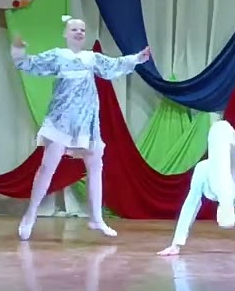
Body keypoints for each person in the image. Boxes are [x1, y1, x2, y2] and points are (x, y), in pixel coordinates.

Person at [11, 16, 150, 240]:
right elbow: (30, 64)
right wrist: (19, 51)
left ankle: (96, 218)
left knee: (95, 165)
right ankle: (31, 214)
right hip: (62, 119)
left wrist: (137, 58)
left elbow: (113, 66)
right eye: (74, 29)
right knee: (47, 167)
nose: (78, 33)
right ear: (66, 34)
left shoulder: (91, 58)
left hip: (86, 121)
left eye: (82, 30)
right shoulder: (58, 55)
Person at [157, 120, 235, 258]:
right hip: (222, 186)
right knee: (220, 130)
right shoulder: (204, 170)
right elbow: (191, 204)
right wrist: (176, 243)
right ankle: (226, 202)